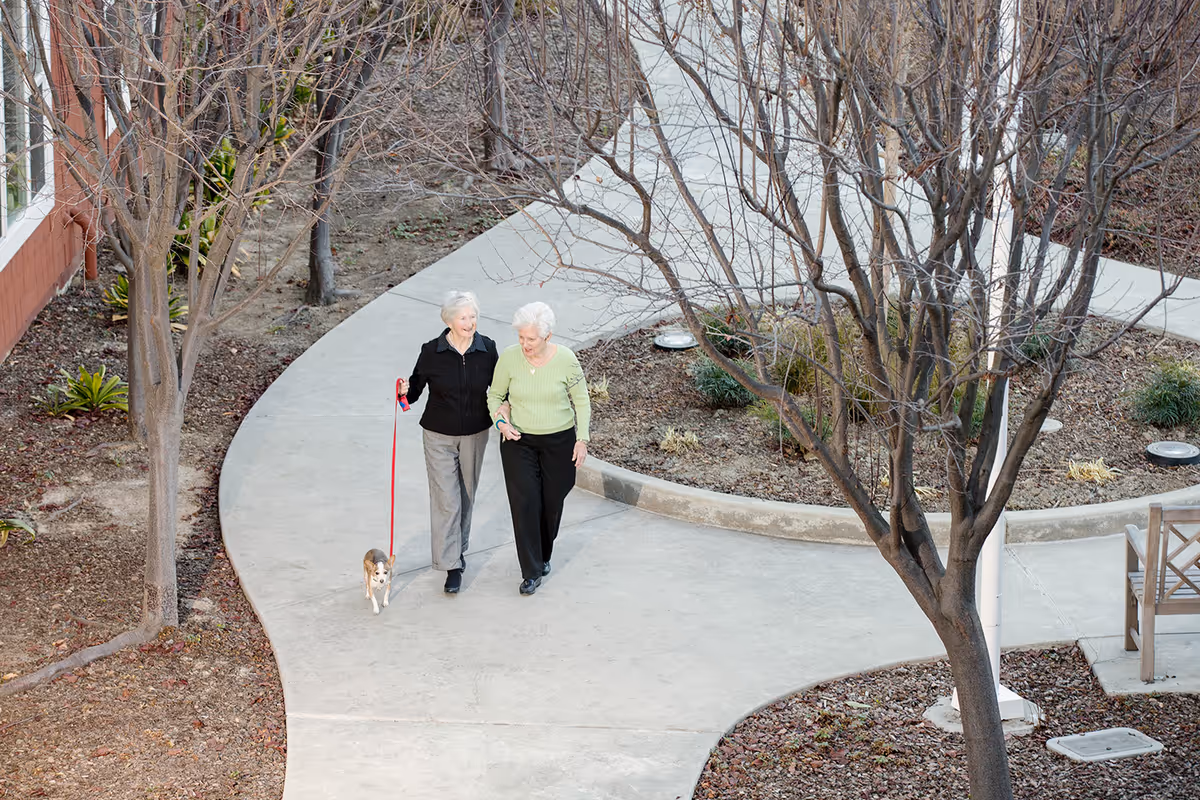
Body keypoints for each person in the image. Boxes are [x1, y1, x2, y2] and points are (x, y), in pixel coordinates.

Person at [488, 302, 591, 596]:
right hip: (518, 441)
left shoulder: (567, 360)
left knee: (551, 503)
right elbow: (495, 396)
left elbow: (581, 401)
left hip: (559, 442)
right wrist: (501, 423)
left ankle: (544, 554)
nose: (524, 344)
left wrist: (581, 439)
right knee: (525, 504)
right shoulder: (509, 358)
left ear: (547, 336)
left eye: (530, 339)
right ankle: (531, 571)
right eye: (521, 337)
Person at [400, 291, 498, 594]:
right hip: (438, 434)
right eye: (463, 317)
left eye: (472, 316)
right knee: (447, 500)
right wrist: (403, 392)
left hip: (476, 433)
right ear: (449, 320)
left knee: (466, 495)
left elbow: (501, 388)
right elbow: (412, 394)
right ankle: (451, 565)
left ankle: (458, 550)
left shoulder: (488, 349)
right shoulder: (432, 351)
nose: (469, 322)